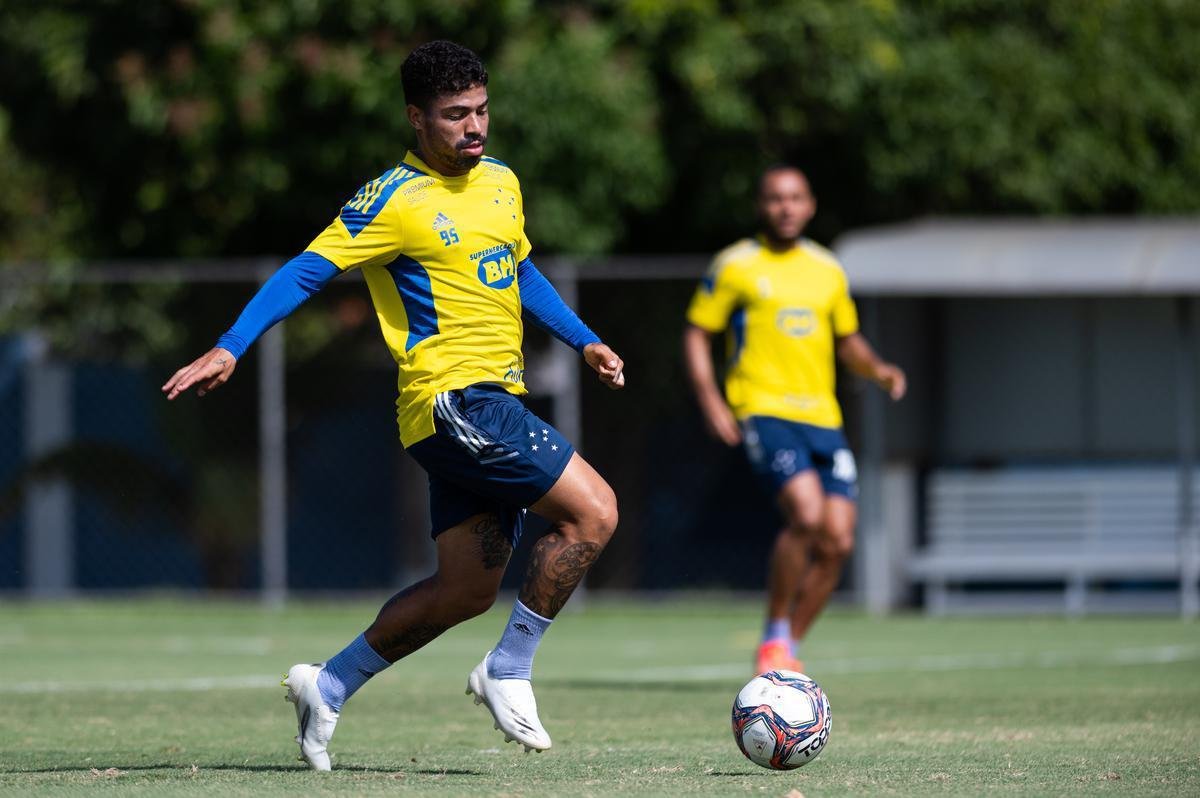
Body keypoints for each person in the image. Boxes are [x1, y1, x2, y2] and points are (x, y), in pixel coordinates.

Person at [163, 41, 624, 770]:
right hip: (453, 401)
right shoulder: (392, 200)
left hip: (489, 399)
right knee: (594, 512)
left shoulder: (502, 181)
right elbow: (305, 271)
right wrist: (231, 345)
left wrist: (584, 341)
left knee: (466, 591)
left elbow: (519, 267)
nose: (473, 128)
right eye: (453, 116)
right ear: (416, 118)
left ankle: (330, 682)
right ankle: (508, 668)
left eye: (480, 111)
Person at [682, 165, 905, 675]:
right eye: (776, 199)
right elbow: (697, 332)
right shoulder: (736, 264)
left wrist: (878, 370)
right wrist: (711, 400)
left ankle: (783, 647)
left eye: (795, 198)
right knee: (806, 516)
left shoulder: (828, 268)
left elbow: (847, 340)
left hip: (823, 417)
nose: (786, 207)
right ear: (762, 205)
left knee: (839, 541)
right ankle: (776, 630)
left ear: (810, 206)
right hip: (764, 410)